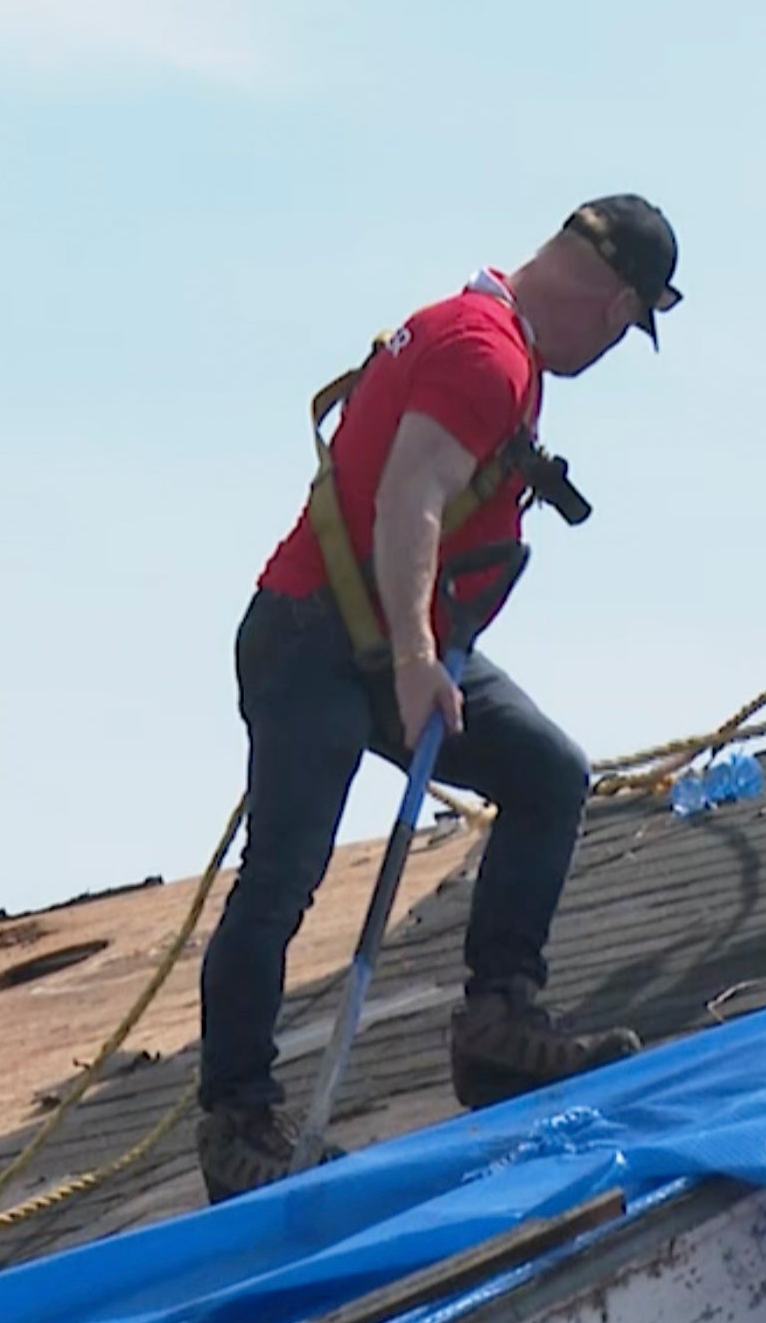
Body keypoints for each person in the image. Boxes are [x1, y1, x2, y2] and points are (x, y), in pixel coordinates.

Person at [194, 196, 683, 1202]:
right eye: (627, 327)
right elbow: (410, 499)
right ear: (618, 298)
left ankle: (499, 1022)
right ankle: (237, 1122)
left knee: (548, 774)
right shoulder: (488, 352)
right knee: (283, 876)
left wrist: (416, 653)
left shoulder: (493, 341)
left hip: (379, 639)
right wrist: (419, 661)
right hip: (318, 638)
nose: (612, 350)